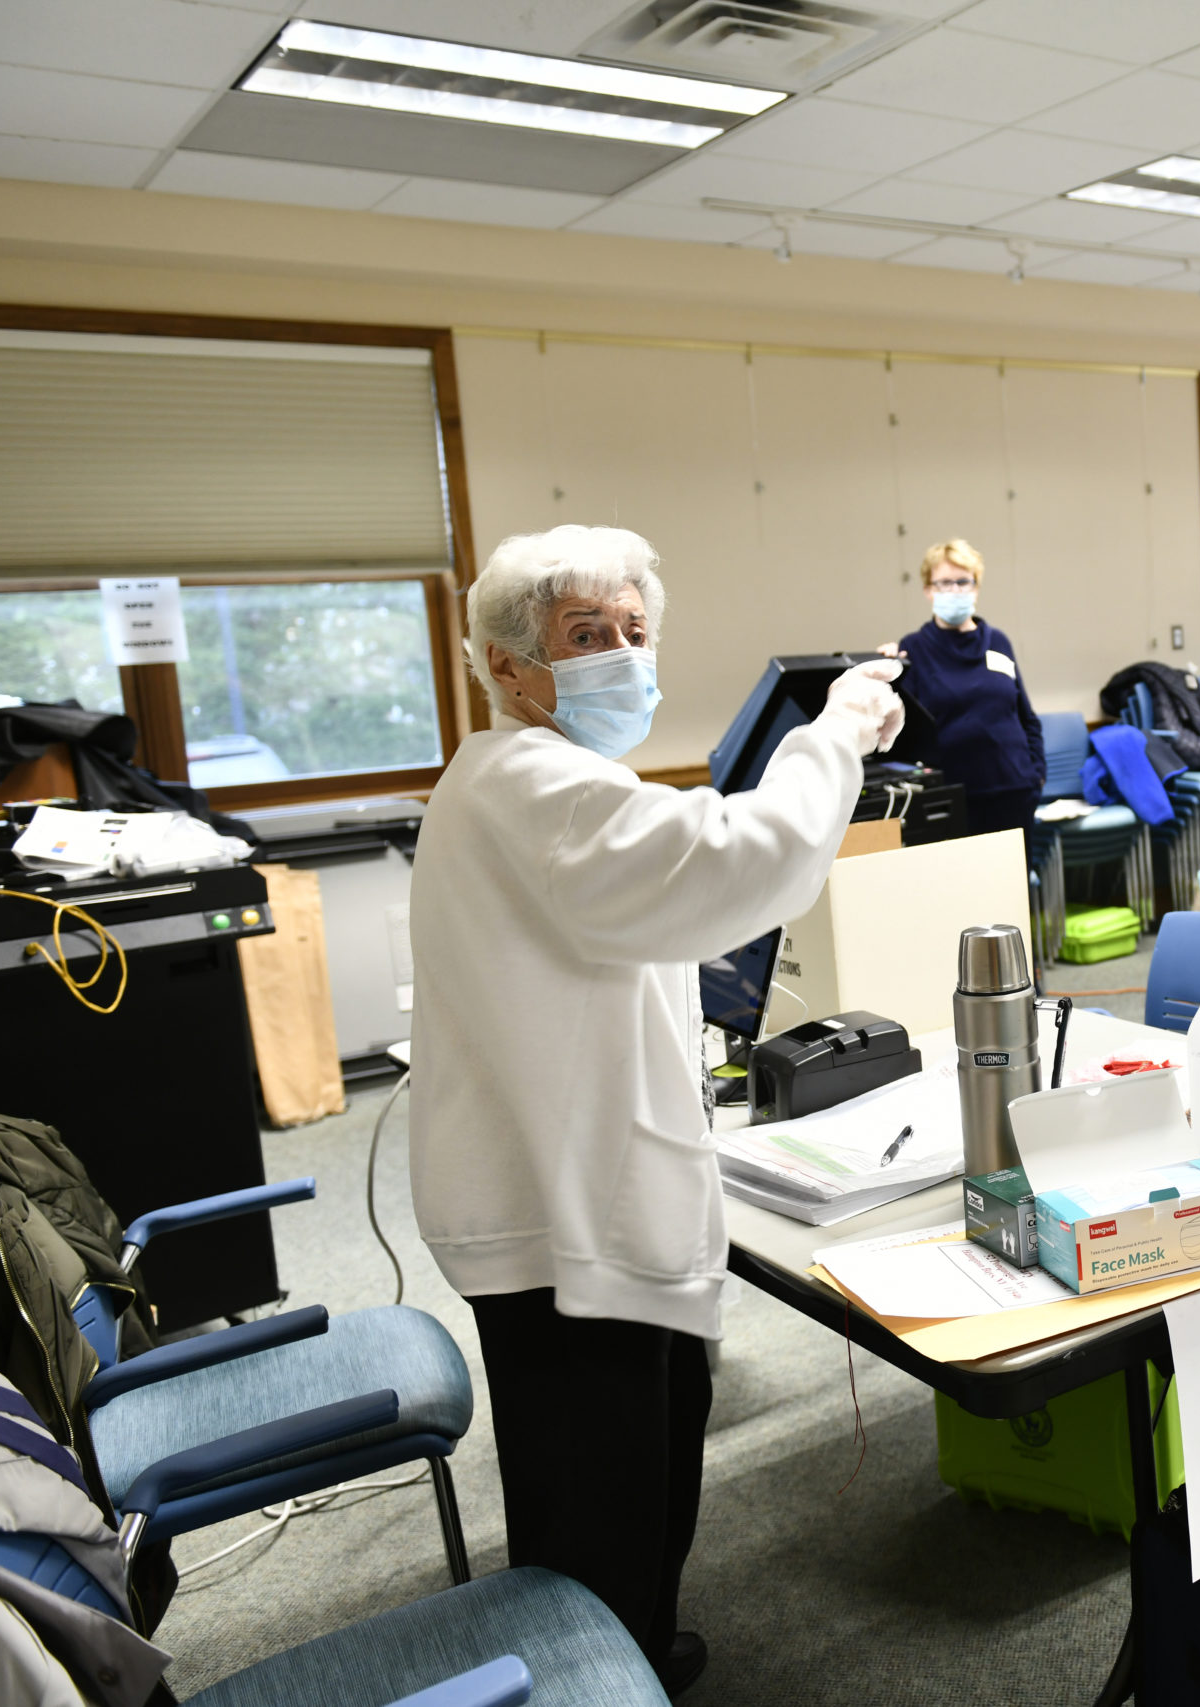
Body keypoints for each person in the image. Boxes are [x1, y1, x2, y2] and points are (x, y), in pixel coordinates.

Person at [409, 525, 905, 1691]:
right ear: (505, 666)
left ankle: (631, 1647)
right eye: (586, 637)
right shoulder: (532, 783)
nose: (621, 658)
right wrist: (834, 730)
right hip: (565, 1217)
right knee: (602, 1500)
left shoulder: (544, 778)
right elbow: (746, 856)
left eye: (636, 634)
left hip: (572, 1188)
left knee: (636, 1468)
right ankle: (605, 1668)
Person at [878, 538, 1048, 840]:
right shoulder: (913, 649)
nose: (954, 590)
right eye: (944, 583)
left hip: (1014, 790)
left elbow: (1026, 717)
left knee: (1015, 885)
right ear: (928, 590)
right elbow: (905, 731)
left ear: (976, 587)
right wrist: (888, 672)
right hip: (953, 798)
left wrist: (1037, 774)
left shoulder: (998, 642)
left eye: (963, 582)